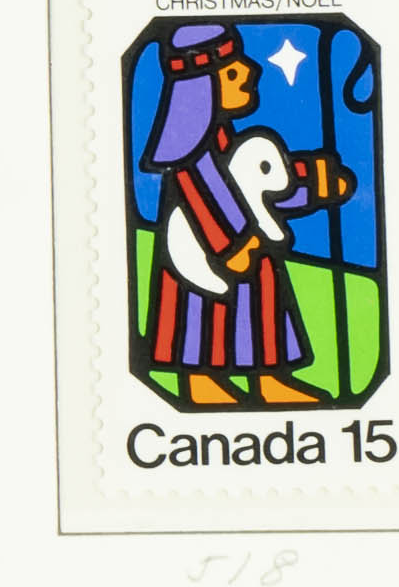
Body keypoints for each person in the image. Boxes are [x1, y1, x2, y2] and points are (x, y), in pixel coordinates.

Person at [135, 20, 355, 407]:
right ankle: (201, 381)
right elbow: (207, 201)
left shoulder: (224, 141)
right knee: (201, 316)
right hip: (204, 258)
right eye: (233, 72)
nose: (251, 71)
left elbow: (259, 184)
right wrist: (231, 247)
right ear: (203, 87)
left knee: (261, 302)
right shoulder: (191, 156)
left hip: (243, 250)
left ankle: (268, 377)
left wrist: (312, 184)